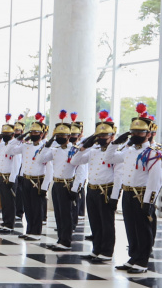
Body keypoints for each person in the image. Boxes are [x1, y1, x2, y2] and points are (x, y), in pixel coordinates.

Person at [106, 114, 162, 274]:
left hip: (141, 195)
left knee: (143, 229)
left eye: (140, 133)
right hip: (127, 193)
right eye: (133, 132)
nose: (135, 135)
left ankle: (142, 261)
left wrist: (149, 201)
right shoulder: (129, 150)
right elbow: (109, 158)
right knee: (130, 227)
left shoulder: (154, 152)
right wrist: (116, 143)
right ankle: (133, 257)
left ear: (149, 134)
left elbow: (155, 179)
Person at [70, 113, 118, 262]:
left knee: (106, 222)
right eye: (100, 135)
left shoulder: (116, 153)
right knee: (95, 221)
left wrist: (115, 196)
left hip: (106, 190)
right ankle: (96, 249)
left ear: (112, 136)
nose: (102, 138)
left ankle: (106, 251)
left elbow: (119, 176)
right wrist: (84, 147)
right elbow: (74, 161)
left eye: (106, 135)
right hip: (92, 189)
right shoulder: (93, 151)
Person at [38, 112, 85, 251]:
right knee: (58, 214)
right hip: (56, 184)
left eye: (62, 136)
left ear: (69, 137)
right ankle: (60, 239)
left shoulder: (75, 150)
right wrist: (48, 144)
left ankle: (66, 241)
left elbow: (81, 172)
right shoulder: (55, 150)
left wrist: (75, 189)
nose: (59, 138)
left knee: (66, 214)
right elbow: (41, 159)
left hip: (67, 185)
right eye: (57, 136)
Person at [8, 115, 51, 241]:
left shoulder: (45, 148)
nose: (33, 134)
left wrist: (45, 186)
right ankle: (29, 230)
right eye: (31, 132)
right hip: (26, 179)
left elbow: (50, 169)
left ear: (42, 134)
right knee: (27, 206)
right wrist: (19, 138)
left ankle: (36, 232)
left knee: (36, 208)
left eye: (36, 132)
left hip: (37, 181)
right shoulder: (25, 146)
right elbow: (10, 150)